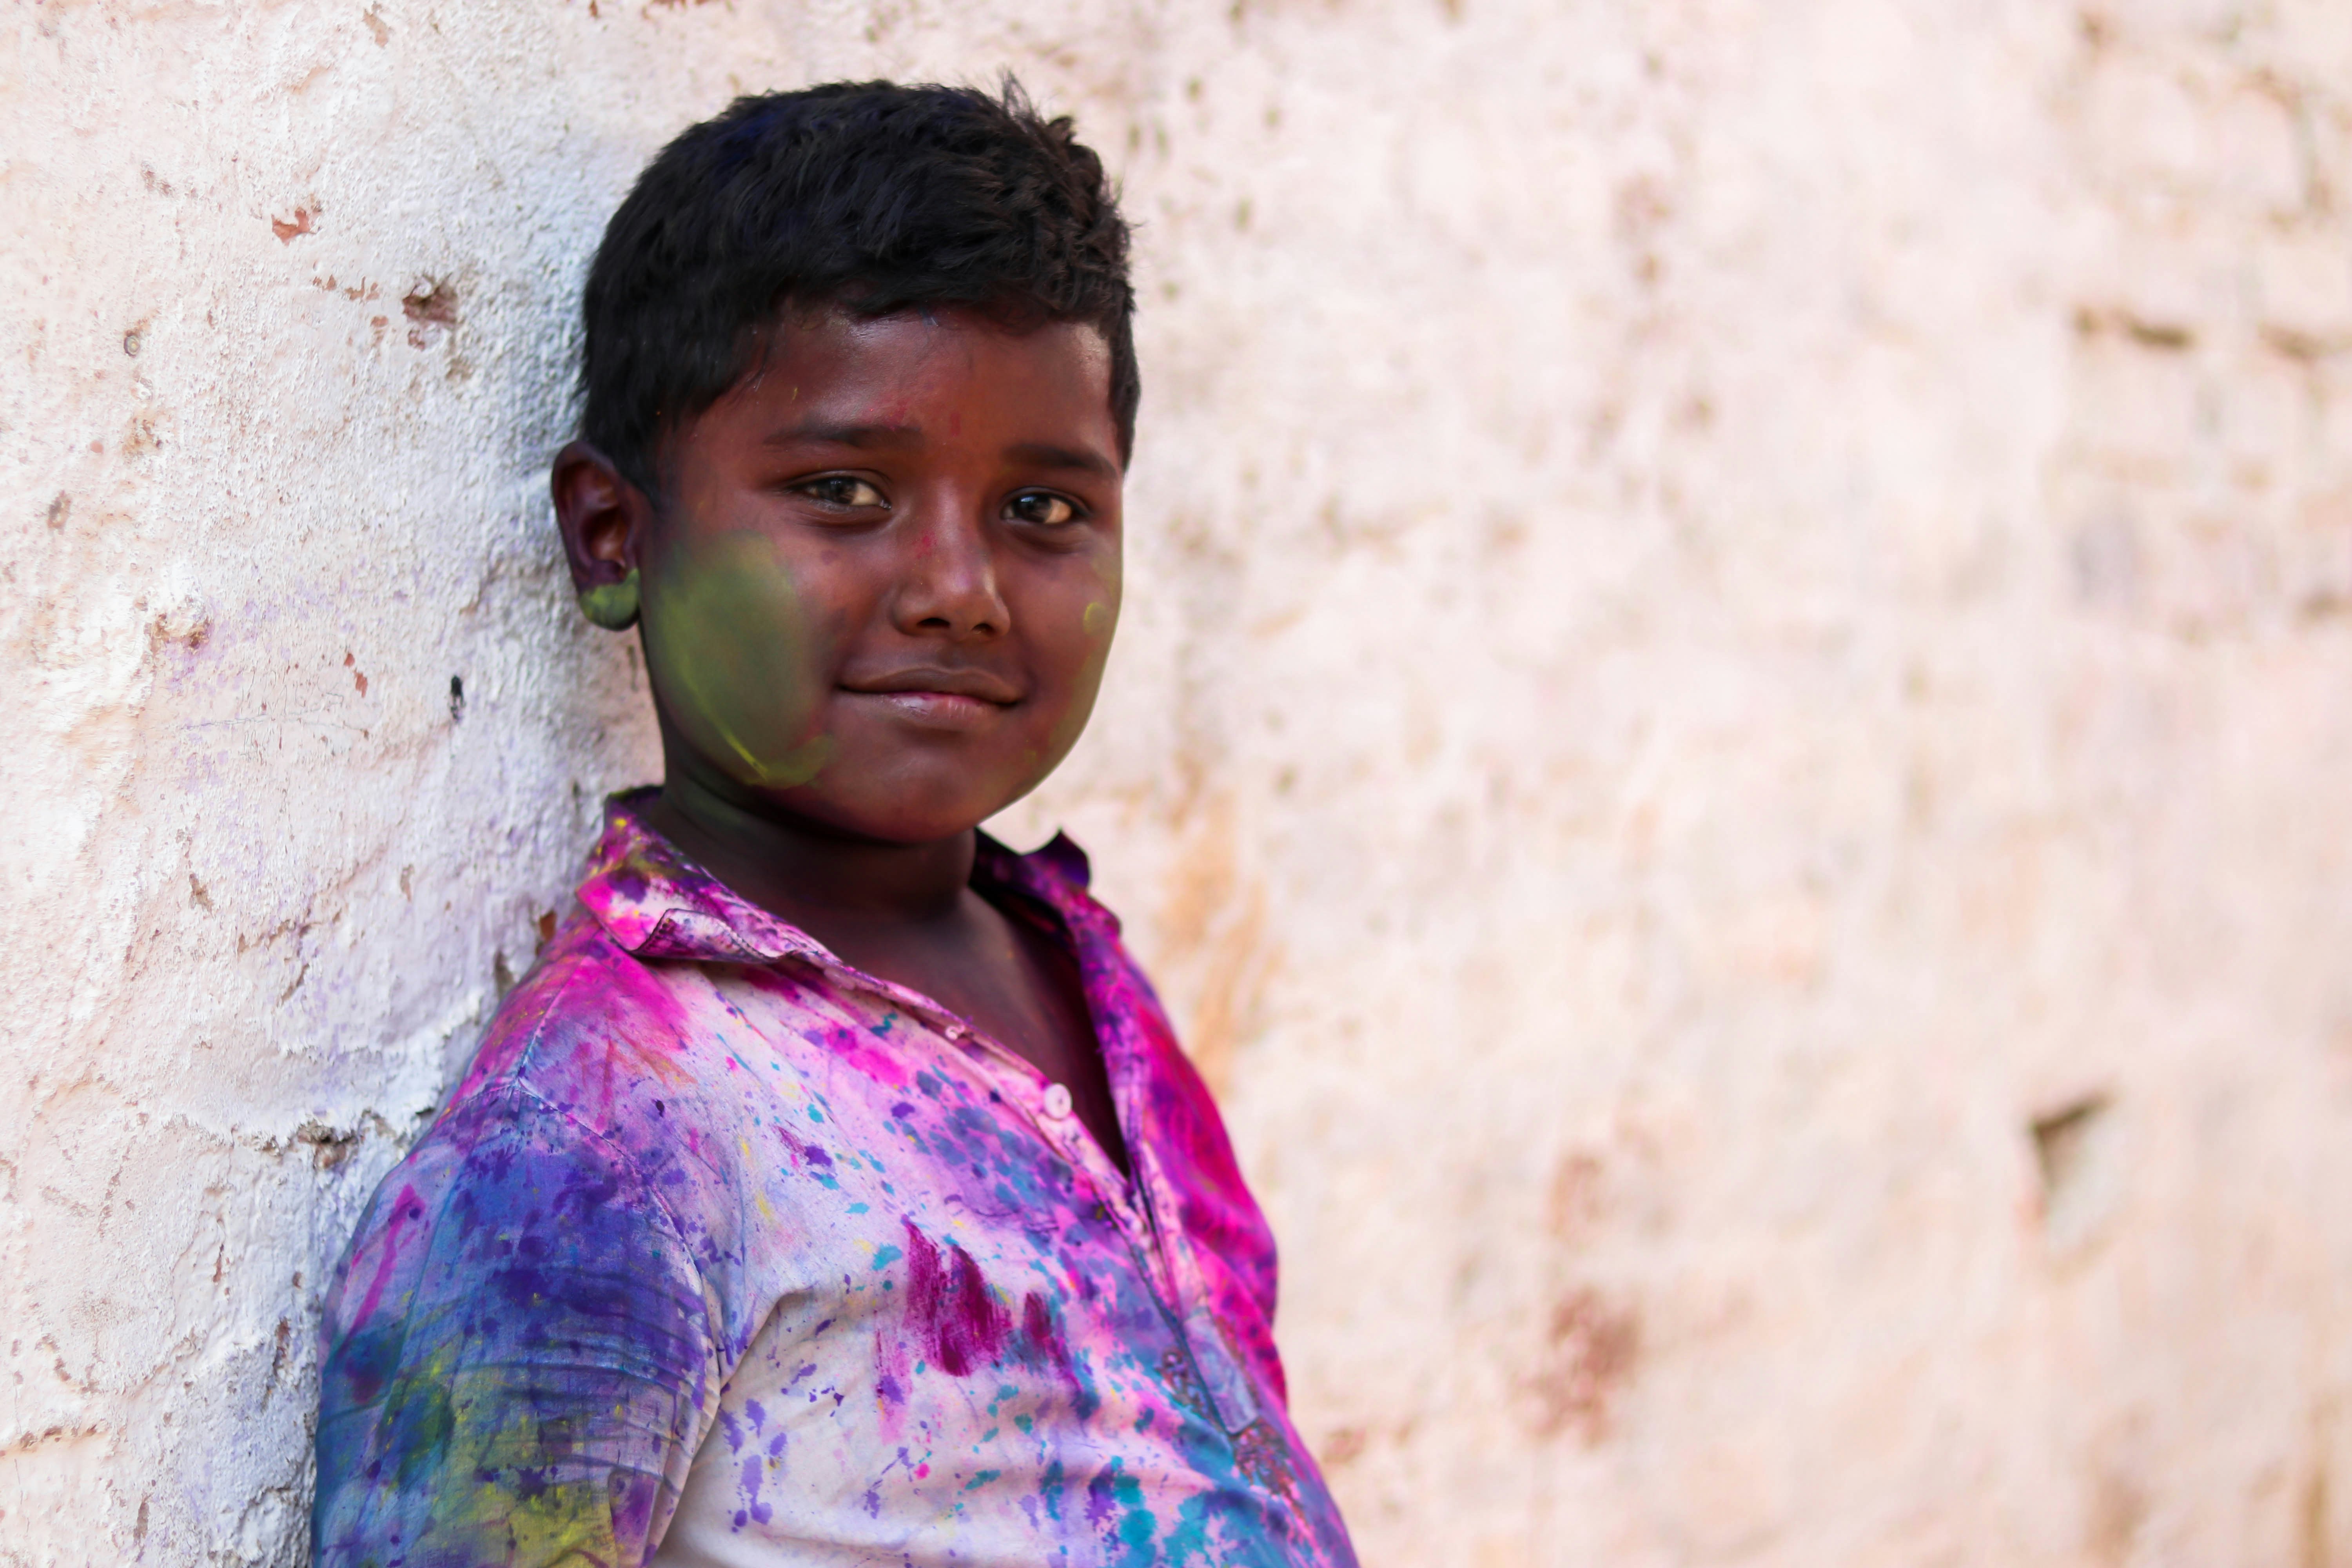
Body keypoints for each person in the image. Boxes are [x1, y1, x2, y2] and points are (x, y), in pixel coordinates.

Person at [309, 80, 1359, 1568]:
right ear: (615, 535)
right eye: (846, 491)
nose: (959, 586)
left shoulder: (1080, 973)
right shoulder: (609, 1137)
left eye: (1044, 511)